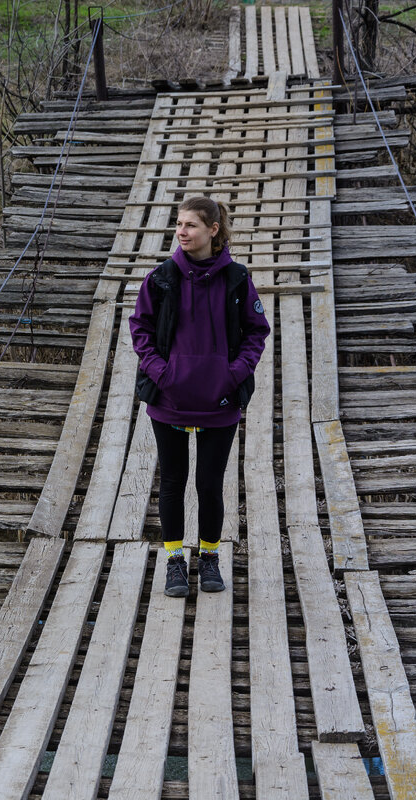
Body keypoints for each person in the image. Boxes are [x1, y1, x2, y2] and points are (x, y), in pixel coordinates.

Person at [128, 197, 270, 598]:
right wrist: (162, 371)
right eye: (178, 223)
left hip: (219, 401)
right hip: (169, 397)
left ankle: (209, 558)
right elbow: (139, 327)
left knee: (210, 483)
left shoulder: (237, 280)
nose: (181, 231)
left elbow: (257, 331)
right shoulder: (161, 278)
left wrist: (235, 374)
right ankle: (174, 561)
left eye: (190, 225)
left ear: (213, 230)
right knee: (172, 482)